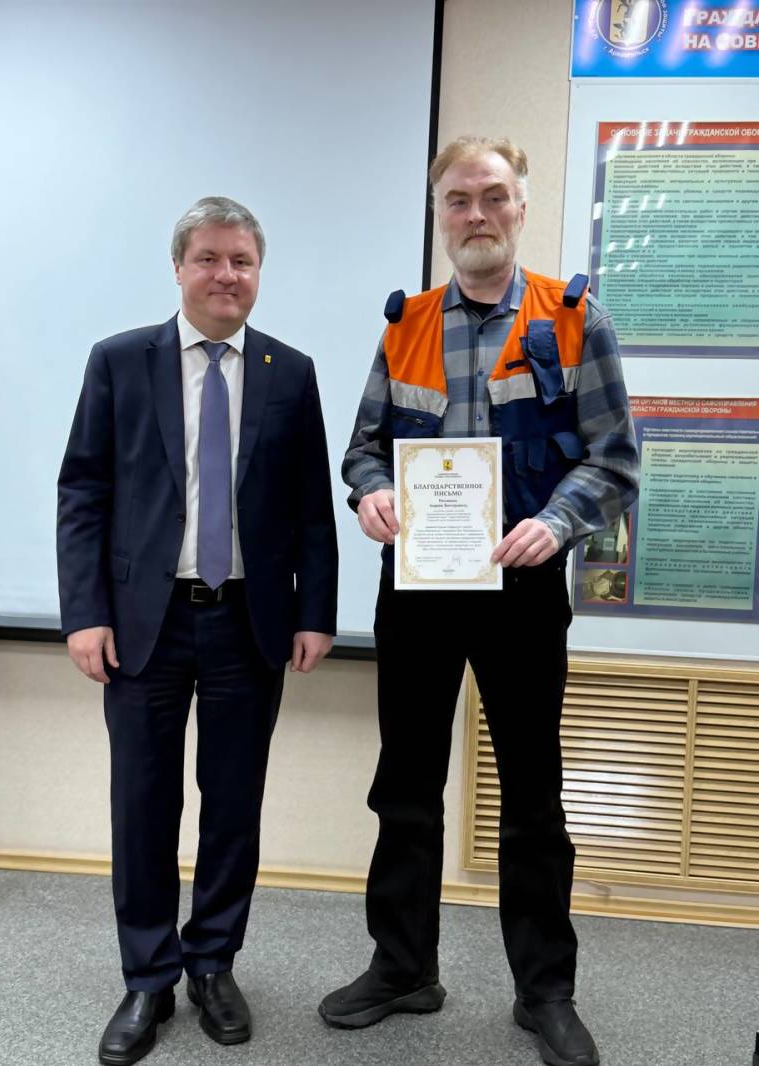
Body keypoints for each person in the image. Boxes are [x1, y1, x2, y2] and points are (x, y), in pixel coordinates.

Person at [319, 138, 639, 1066]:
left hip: (523, 590)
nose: (476, 214)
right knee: (405, 786)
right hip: (419, 592)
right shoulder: (407, 324)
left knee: (533, 796)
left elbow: (615, 459)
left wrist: (558, 522)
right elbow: (363, 448)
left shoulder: (573, 319)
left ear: (521, 207)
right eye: (458, 199)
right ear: (440, 215)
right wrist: (372, 494)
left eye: (493, 196)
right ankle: (403, 968)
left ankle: (545, 991)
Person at [57, 197, 338, 1065]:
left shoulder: (290, 371)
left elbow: (312, 509)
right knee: (143, 804)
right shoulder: (119, 361)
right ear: (178, 267)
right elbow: (83, 493)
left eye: (242, 261)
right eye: (210, 258)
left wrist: (316, 613)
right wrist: (84, 613)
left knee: (233, 805)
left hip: (247, 623)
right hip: (143, 625)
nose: (226, 275)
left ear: (259, 272)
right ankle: (148, 977)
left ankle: (213, 963)